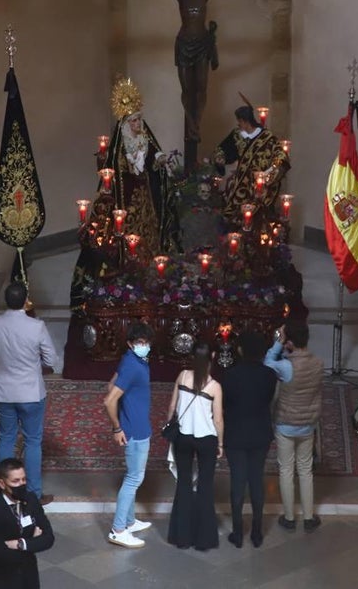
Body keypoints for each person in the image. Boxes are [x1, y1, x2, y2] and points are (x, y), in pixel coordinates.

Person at [105, 0, 281, 168]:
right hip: (184, 44)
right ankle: (192, 125)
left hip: (202, 45)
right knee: (187, 90)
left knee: (201, 89)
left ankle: (195, 125)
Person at [70, 79, 180, 307]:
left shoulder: (144, 137)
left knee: (148, 227)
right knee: (126, 229)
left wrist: (158, 160)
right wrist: (127, 165)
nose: (138, 123)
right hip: (126, 198)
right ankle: (127, 264)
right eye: (134, 120)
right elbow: (114, 169)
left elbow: (153, 156)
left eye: (139, 119)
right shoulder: (121, 143)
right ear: (127, 122)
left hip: (144, 194)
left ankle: (149, 262)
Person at [0, 281, 58, 505]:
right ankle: (33, 493)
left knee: (6, 438)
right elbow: (51, 360)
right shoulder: (36, 326)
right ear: (26, 301)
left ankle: (7, 492)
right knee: (33, 441)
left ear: (6, 300)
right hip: (31, 393)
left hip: (4, 392)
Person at [165, 340, 224, 551]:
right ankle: (203, 540)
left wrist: (169, 425)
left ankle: (181, 537)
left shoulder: (182, 376)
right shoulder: (214, 386)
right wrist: (221, 443)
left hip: (183, 436)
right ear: (213, 357)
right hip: (206, 439)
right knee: (205, 487)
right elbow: (218, 420)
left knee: (184, 483)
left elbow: (172, 406)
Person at [265, 321, 323, 533]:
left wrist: (278, 343)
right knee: (306, 470)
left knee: (286, 470)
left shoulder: (285, 366)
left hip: (286, 424)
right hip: (307, 424)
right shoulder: (318, 363)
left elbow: (268, 362)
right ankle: (308, 517)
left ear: (289, 342)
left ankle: (289, 517)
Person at [220, 332, 277, 548]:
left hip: (235, 433)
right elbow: (268, 399)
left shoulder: (230, 375)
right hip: (260, 433)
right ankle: (257, 532)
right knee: (256, 480)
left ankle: (237, 533)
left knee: (237, 481)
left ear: (240, 350)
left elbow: (225, 403)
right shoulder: (269, 375)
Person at [103, 322, 155, 547]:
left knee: (133, 475)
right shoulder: (133, 366)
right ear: (130, 344)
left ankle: (129, 521)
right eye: (139, 342)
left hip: (136, 424)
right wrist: (117, 427)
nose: (144, 346)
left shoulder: (130, 360)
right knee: (134, 478)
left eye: (146, 342)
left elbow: (111, 385)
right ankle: (118, 529)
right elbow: (109, 399)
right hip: (136, 430)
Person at [0, 457, 55, 589]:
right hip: (3, 580)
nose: (21, 484)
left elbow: (48, 538)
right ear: (2, 484)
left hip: (29, 577)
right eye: (15, 481)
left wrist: (21, 544)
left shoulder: (31, 500)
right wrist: (33, 542)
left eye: (23, 479)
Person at [213, 104, 291, 228]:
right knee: (233, 211)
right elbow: (222, 149)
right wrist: (220, 158)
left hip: (260, 183)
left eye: (240, 121)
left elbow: (280, 156)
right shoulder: (237, 134)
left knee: (259, 215)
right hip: (241, 181)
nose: (238, 124)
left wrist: (271, 170)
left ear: (245, 121)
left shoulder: (267, 137)